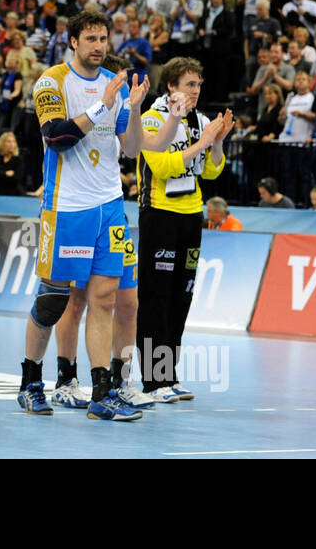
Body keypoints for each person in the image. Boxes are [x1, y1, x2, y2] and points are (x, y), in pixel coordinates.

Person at [19, 11, 175, 422]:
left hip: (110, 207)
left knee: (105, 299)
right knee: (54, 301)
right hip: (66, 207)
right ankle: (31, 380)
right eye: (90, 38)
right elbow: (56, 138)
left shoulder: (117, 85)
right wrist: (103, 106)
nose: (99, 45)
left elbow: (130, 148)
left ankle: (102, 392)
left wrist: (134, 107)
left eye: (103, 38)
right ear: (73, 42)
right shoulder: (51, 81)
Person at [136, 57, 233, 403]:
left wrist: (217, 141)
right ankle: (151, 381)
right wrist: (202, 142)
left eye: (199, 85)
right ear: (172, 86)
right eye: (190, 85)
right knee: (155, 298)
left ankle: (168, 376)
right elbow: (162, 167)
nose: (196, 91)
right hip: (160, 214)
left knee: (181, 296)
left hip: (192, 215)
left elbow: (210, 173)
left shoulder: (201, 121)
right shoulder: (151, 118)